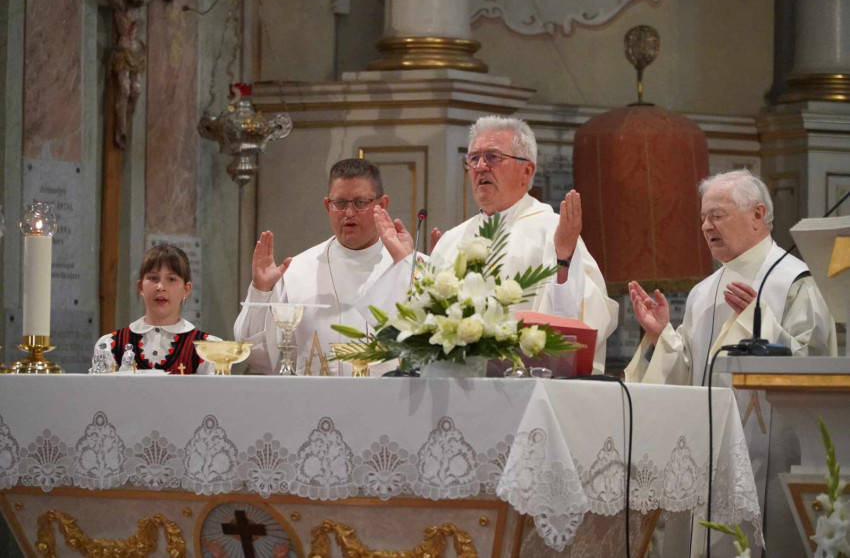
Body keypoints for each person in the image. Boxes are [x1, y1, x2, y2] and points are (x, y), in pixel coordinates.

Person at [373, 115, 618, 373]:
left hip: (527, 386)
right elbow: (428, 326)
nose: (480, 167)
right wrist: (409, 265)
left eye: (492, 157)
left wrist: (564, 259)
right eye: (473, 159)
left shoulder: (553, 231)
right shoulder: (452, 240)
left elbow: (579, 324)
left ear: (526, 171)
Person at [625, 169, 837, 386]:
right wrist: (661, 337)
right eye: (703, 218)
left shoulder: (796, 282)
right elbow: (692, 378)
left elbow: (815, 367)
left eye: (717, 216)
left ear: (757, 215)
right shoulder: (701, 292)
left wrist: (760, 322)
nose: (706, 226)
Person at [233, 158, 407, 375]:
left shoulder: (408, 268)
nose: (349, 213)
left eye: (360, 202)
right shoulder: (296, 272)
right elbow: (259, 358)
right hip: (315, 397)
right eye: (340, 203)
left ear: (382, 205)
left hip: (391, 396)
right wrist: (261, 291)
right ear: (327, 206)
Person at [94, 243, 220, 374]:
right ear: (141, 287)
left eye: (171, 279)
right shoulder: (111, 345)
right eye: (153, 278)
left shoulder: (208, 350)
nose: (160, 287)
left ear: (186, 289)